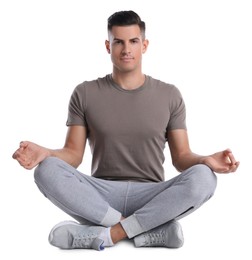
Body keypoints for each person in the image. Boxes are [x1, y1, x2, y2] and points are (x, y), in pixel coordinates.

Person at [12, 10, 239, 251]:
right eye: (118, 42)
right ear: (108, 46)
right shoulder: (85, 93)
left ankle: (109, 234)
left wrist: (205, 160)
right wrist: (44, 153)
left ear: (145, 45)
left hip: (152, 195)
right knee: (46, 170)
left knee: (204, 177)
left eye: (133, 41)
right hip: (100, 196)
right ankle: (147, 231)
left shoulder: (170, 95)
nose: (126, 49)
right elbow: (73, 155)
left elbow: (181, 158)